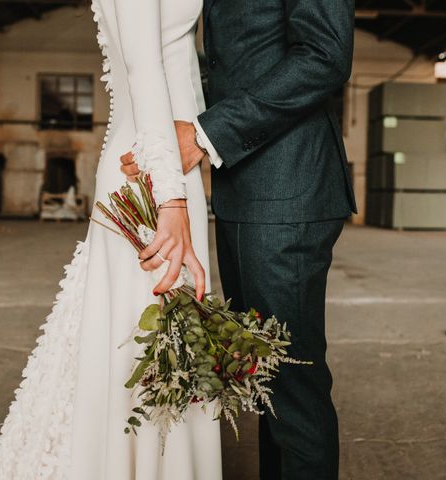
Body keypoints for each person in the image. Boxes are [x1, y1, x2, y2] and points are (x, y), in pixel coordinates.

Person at [0, 0, 222, 479]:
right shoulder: (165, 185)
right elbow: (144, 66)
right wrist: (170, 199)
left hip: (170, 154)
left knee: (159, 337)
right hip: (151, 166)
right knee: (144, 336)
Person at [124, 1, 357, 479]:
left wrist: (207, 133)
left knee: (293, 390)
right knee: (266, 383)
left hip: (286, 192)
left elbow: (324, 54)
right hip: (244, 193)